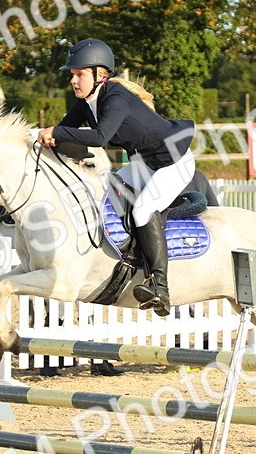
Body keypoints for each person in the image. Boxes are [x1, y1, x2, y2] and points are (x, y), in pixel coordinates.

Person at [37, 39, 196, 319]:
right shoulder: (85, 102)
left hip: (174, 161)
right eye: (72, 75)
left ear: (101, 74)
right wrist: (48, 137)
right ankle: (128, 255)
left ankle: (160, 286)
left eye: (80, 74)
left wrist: (57, 133)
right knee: (105, 189)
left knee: (144, 208)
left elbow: (100, 137)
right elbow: (66, 131)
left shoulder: (116, 97)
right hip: (144, 162)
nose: (74, 81)